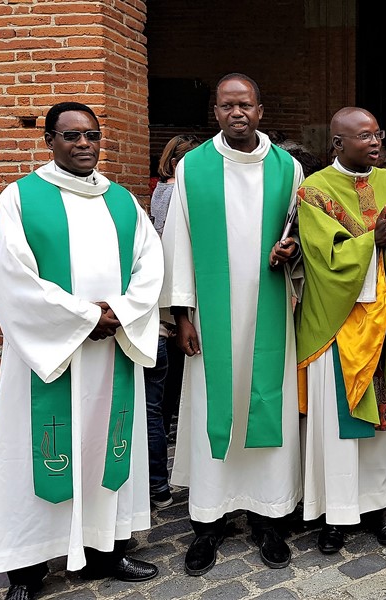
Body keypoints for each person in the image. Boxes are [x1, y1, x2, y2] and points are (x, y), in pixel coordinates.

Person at [0, 102, 164, 600]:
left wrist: (119, 314)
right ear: (49, 140)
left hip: (110, 354)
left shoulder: (123, 201)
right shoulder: (21, 198)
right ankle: (27, 569)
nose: (84, 145)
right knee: (38, 455)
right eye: (71, 136)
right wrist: (86, 318)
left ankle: (108, 549)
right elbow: (10, 278)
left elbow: (151, 266)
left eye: (92, 136)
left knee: (107, 447)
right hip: (50, 355)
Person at [159, 73, 304, 574]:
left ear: (261, 110)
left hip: (272, 313)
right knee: (210, 411)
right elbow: (177, 243)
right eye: (226, 106)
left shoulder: (290, 168)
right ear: (215, 113)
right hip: (213, 316)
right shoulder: (193, 169)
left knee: (268, 406)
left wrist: (294, 250)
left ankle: (269, 516)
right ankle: (209, 521)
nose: (236, 113)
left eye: (245, 104)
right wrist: (183, 314)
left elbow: (301, 230)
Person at [296, 107, 386, 554]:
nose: (375, 143)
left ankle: (385, 509)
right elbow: (322, 257)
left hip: (385, 319)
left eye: (378, 135)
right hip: (338, 325)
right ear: (337, 143)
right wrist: (375, 240)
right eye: (364, 136)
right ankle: (336, 513)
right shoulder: (313, 191)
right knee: (338, 427)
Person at [146, 134, 201, 510]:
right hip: (171, 298)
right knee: (163, 393)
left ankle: (158, 474)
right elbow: (169, 242)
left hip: (167, 300)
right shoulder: (171, 192)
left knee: (164, 394)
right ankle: (158, 480)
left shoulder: (160, 190)